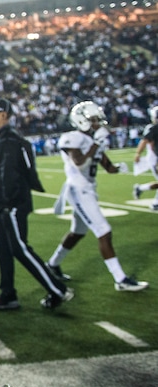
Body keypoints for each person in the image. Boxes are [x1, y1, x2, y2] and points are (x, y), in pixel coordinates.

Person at [0, 98, 74, 310]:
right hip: (4, 203)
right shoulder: (4, 139)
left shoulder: (8, 140)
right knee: (2, 248)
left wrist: (6, 203)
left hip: (10, 204)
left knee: (20, 248)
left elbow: (11, 176)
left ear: (3, 114)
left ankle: (58, 289)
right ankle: (8, 294)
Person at [47, 101, 148, 292]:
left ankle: (52, 264)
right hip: (78, 190)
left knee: (78, 232)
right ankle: (121, 279)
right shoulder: (72, 137)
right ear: (81, 121)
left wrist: (118, 168)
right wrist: (96, 143)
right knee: (104, 230)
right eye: (93, 120)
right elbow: (79, 163)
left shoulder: (94, 140)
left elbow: (107, 167)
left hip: (88, 190)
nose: (97, 124)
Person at [132, 105, 158, 210]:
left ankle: (140, 188)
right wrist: (138, 153)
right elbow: (145, 141)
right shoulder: (153, 128)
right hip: (155, 158)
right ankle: (155, 203)